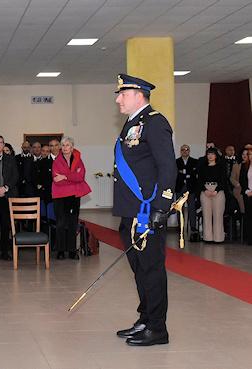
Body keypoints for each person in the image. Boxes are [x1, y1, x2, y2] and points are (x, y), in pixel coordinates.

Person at [112, 74, 176, 346]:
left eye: (122, 94)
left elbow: (167, 167)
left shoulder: (155, 122)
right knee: (139, 270)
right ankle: (145, 319)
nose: (117, 99)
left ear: (139, 94)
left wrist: (161, 207)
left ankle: (158, 328)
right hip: (131, 212)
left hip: (147, 212)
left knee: (151, 269)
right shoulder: (131, 125)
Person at [51, 137, 91, 260]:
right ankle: (61, 250)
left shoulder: (78, 160)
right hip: (60, 196)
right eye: (62, 145)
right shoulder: (56, 161)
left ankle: (72, 250)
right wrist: (70, 178)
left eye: (67, 145)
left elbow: (81, 176)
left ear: (72, 147)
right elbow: (57, 181)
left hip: (73, 196)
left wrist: (65, 176)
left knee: (73, 223)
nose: (64, 147)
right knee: (61, 223)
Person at [198, 147, 228, 243]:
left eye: (212, 154)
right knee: (206, 215)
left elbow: (224, 180)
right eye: (208, 154)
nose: (210, 156)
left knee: (218, 215)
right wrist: (205, 190)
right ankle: (207, 238)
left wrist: (216, 190)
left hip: (218, 191)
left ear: (216, 156)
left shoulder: (221, 167)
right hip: (205, 190)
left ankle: (218, 238)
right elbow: (199, 181)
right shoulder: (202, 167)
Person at [175, 145, 199, 242]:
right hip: (180, 188)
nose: (185, 151)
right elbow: (176, 174)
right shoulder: (176, 162)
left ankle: (193, 227)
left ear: (189, 151)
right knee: (179, 208)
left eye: (187, 149)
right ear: (180, 151)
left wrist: (184, 172)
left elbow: (195, 175)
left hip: (191, 189)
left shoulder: (195, 162)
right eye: (183, 150)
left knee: (192, 208)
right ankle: (180, 227)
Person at [239, 149, 252, 244]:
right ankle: (249, 238)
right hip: (248, 194)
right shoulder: (244, 166)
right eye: (249, 154)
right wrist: (247, 190)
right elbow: (242, 180)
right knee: (249, 215)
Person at [231, 148, 248, 214]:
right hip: (239, 190)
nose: (244, 156)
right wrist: (237, 184)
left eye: (247, 154)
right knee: (243, 210)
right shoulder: (236, 166)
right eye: (243, 154)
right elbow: (232, 178)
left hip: (249, 191)